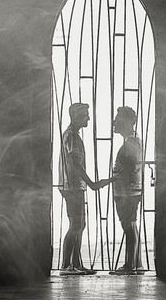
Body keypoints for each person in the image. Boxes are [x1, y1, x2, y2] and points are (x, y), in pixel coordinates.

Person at [93, 105, 145, 274]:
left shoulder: (131, 142)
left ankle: (129, 266)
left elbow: (127, 170)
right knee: (131, 225)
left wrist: (105, 181)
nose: (114, 122)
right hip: (130, 190)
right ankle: (136, 264)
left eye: (118, 119)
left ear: (128, 122)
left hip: (126, 192)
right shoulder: (133, 140)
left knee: (128, 226)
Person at [58, 102, 98, 274]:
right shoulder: (72, 136)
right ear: (75, 116)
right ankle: (67, 266)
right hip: (73, 186)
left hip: (75, 186)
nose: (88, 118)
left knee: (79, 224)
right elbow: (75, 164)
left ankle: (76, 264)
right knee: (76, 224)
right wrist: (92, 183)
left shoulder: (72, 135)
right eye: (85, 115)